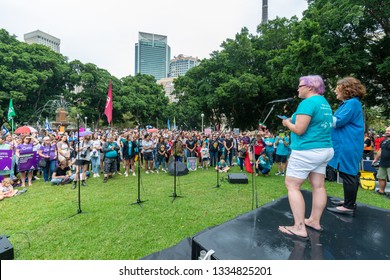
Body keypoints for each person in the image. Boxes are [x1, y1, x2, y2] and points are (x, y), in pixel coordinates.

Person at [278, 75, 334, 239]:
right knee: (318, 185)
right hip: (324, 149)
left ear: (310, 87)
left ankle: (299, 227)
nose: (298, 88)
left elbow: (299, 129)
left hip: (307, 150)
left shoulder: (307, 103)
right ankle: (314, 221)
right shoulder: (324, 103)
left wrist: (287, 123)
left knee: (292, 185)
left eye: (300, 85)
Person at [326, 77, 366, 216]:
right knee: (348, 173)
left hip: (348, 144)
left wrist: (322, 114)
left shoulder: (352, 104)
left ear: (346, 89)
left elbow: (337, 122)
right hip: (347, 143)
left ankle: (348, 206)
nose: (336, 91)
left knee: (348, 174)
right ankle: (349, 202)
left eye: (338, 88)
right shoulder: (349, 104)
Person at [372, 126, 390, 196]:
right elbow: (380, 150)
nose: (387, 132)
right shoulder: (384, 141)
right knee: (380, 177)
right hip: (383, 163)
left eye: (389, 131)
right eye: (387, 130)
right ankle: (381, 191)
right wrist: (375, 159)